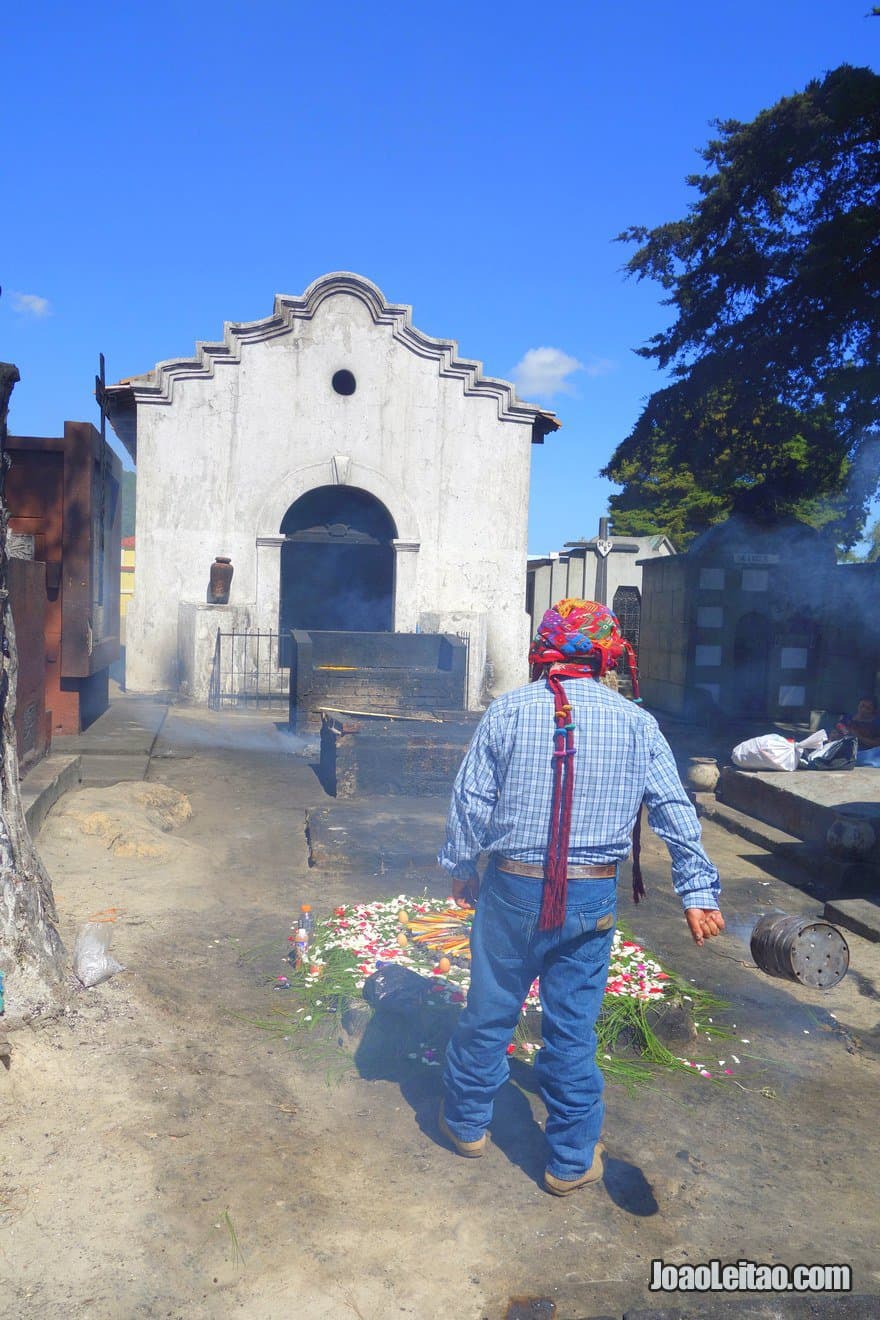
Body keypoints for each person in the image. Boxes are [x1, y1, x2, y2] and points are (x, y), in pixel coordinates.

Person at [437, 598, 724, 1195]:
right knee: (572, 1029)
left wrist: (462, 866)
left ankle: (466, 1124)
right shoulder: (637, 722)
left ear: (544, 650)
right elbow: (674, 808)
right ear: (607, 656)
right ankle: (569, 1159)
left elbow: (471, 801)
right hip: (590, 897)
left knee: (491, 1007)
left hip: (513, 884)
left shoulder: (508, 711)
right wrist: (696, 890)